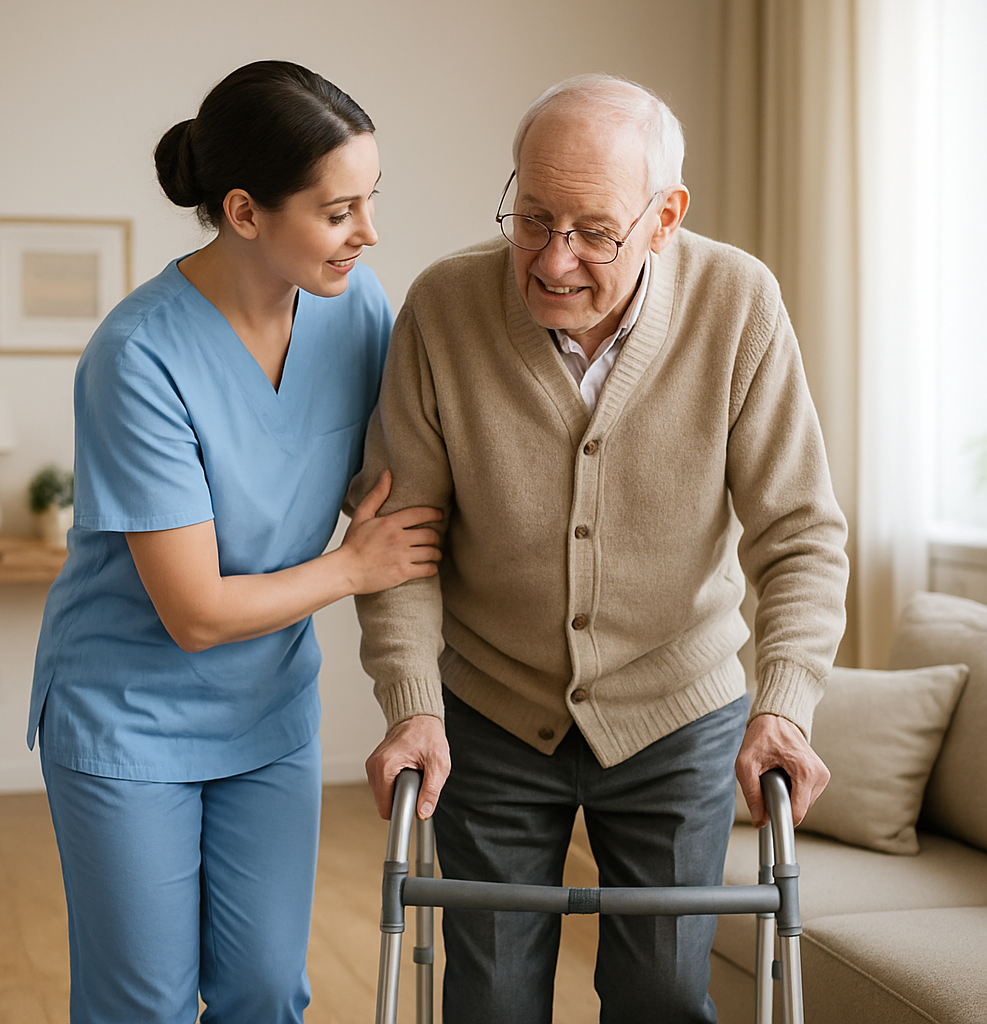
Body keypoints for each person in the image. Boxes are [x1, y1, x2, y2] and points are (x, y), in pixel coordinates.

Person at [349, 74, 848, 1024]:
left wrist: (787, 701)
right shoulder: (444, 308)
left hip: (677, 711)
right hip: (492, 715)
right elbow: (399, 538)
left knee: (660, 995)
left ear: (666, 218)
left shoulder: (737, 304)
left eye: (594, 231)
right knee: (489, 1000)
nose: (552, 259)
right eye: (530, 217)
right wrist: (411, 702)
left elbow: (800, 532)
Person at [25, 61, 441, 1024]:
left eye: (371, 201)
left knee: (264, 991)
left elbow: (399, 469)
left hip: (268, 714)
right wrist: (351, 567)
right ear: (246, 212)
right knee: (147, 1007)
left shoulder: (358, 310)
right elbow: (198, 611)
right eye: (338, 212)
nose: (368, 234)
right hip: (129, 716)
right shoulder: (139, 357)